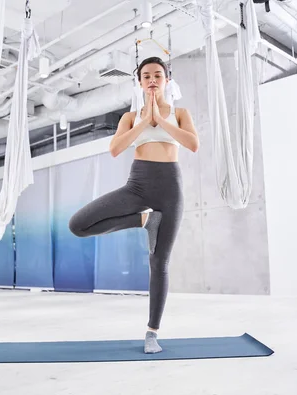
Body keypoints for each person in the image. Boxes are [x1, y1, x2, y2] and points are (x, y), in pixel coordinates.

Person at [68, 56, 199, 353]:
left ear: (167, 80)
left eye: (158, 75)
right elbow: (115, 149)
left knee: (159, 262)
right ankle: (144, 220)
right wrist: (145, 120)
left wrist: (161, 119)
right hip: (137, 185)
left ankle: (152, 332)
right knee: (78, 225)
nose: (152, 80)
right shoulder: (129, 117)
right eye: (146, 76)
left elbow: (193, 144)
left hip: (170, 188)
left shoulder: (180, 113)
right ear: (139, 83)